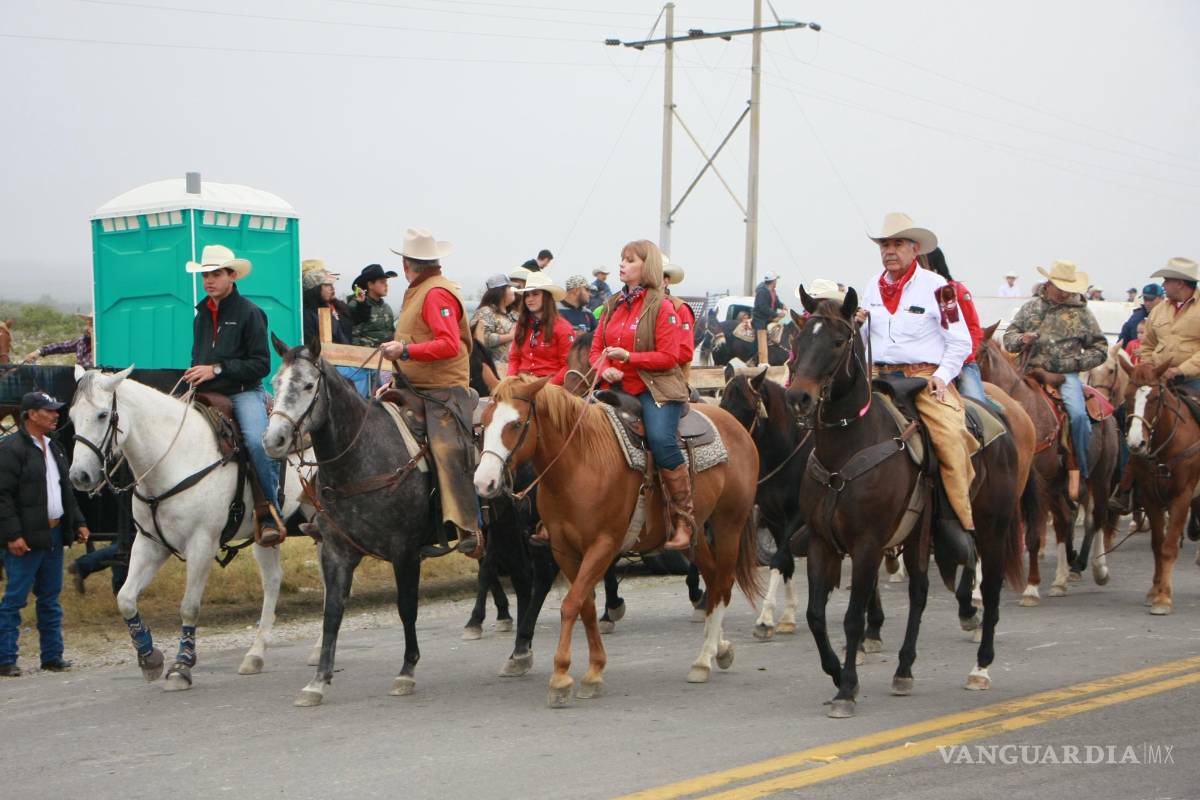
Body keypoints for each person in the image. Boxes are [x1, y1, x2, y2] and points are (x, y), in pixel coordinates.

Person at [858, 212, 977, 568]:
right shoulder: (870, 287)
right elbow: (863, 338)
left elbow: (960, 340)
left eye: (896, 244)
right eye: (884, 245)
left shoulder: (939, 287)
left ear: (914, 249)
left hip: (923, 379)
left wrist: (942, 376)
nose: (889, 251)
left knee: (951, 438)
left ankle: (959, 523)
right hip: (878, 378)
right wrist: (856, 326)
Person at [379, 228, 481, 557]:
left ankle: (468, 525)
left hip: (442, 389)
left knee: (447, 449)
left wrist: (405, 351)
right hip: (412, 385)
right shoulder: (421, 290)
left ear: (409, 264)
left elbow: (450, 344)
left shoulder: (436, 293)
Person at [590, 239, 691, 551]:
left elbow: (670, 356)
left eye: (630, 260)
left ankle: (683, 518)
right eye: (621, 259)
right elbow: (595, 350)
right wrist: (604, 366)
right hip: (614, 388)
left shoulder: (662, 307)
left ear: (645, 267)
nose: (622, 264)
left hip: (654, 388)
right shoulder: (611, 305)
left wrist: (628, 358)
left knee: (662, 440)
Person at [181, 244, 285, 546]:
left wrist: (216, 370)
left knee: (256, 441)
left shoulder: (251, 313)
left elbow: (261, 365)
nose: (208, 281)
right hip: (204, 393)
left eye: (215, 274)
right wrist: (196, 373)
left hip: (243, 393)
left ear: (231, 275)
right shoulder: (200, 316)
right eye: (205, 276)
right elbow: (197, 357)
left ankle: (270, 512)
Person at [0, 391, 90, 676]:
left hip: (52, 536)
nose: (55, 415)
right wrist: (12, 535)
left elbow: (65, 491)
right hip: (25, 539)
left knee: (50, 598)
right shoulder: (11, 449)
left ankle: (52, 656)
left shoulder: (56, 447)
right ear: (31, 414)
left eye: (55, 410)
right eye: (49, 411)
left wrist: (77, 522)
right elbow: (2, 497)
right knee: (14, 599)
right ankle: (5, 658)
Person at [1002, 260, 1107, 499]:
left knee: (1079, 415)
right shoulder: (1031, 308)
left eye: (1067, 288)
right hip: (1027, 371)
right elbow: (1009, 337)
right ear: (1048, 284)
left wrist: (1072, 364)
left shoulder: (1082, 314)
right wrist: (1022, 339)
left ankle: (1078, 466)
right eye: (1059, 286)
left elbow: (1100, 349)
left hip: (1063, 377)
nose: (1063, 292)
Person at [919, 247, 987, 405]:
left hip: (963, 362)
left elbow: (973, 329)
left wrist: (961, 358)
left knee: (976, 403)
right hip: (926, 364)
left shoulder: (954, 292)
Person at [302, 267, 370, 396]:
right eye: (327, 285)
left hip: (347, 358)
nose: (332, 288)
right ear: (315, 289)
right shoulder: (308, 314)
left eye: (332, 285)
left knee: (373, 370)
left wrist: (362, 303)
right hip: (328, 364)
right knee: (359, 374)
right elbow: (311, 346)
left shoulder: (339, 307)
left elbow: (359, 319)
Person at [508, 272, 575, 384]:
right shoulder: (522, 324)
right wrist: (510, 380)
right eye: (527, 295)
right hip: (521, 385)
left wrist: (545, 387)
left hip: (550, 388)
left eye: (535, 294)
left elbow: (568, 365)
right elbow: (514, 358)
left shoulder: (563, 328)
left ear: (547, 297)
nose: (530, 299)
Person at [471, 274, 517, 373]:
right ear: (501, 291)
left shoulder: (511, 315)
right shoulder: (485, 312)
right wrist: (510, 336)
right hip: (494, 372)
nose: (512, 290)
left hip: (510, 371)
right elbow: (481, 339)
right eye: (509, 287)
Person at [347, 263, 398, 347]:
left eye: (386, 282)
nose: (386, 285)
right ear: (370, 285)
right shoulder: (357, 305)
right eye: (382, 282)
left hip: (387, 356)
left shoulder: (387, 307)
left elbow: (391, 333)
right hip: (366, 356)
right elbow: (353, 338)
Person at [662, 259, 695, 379]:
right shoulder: (638, 307)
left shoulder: (680, 309)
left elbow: (685, 352)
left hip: (672, 380)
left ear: (665, 281)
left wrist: (651, 358)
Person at [24, 314, 94, 369]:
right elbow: (60, 347)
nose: (88, 328)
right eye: (88, 324)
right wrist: (38, 352)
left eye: (91, 325)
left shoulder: (104, 347)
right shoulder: (81, 342)